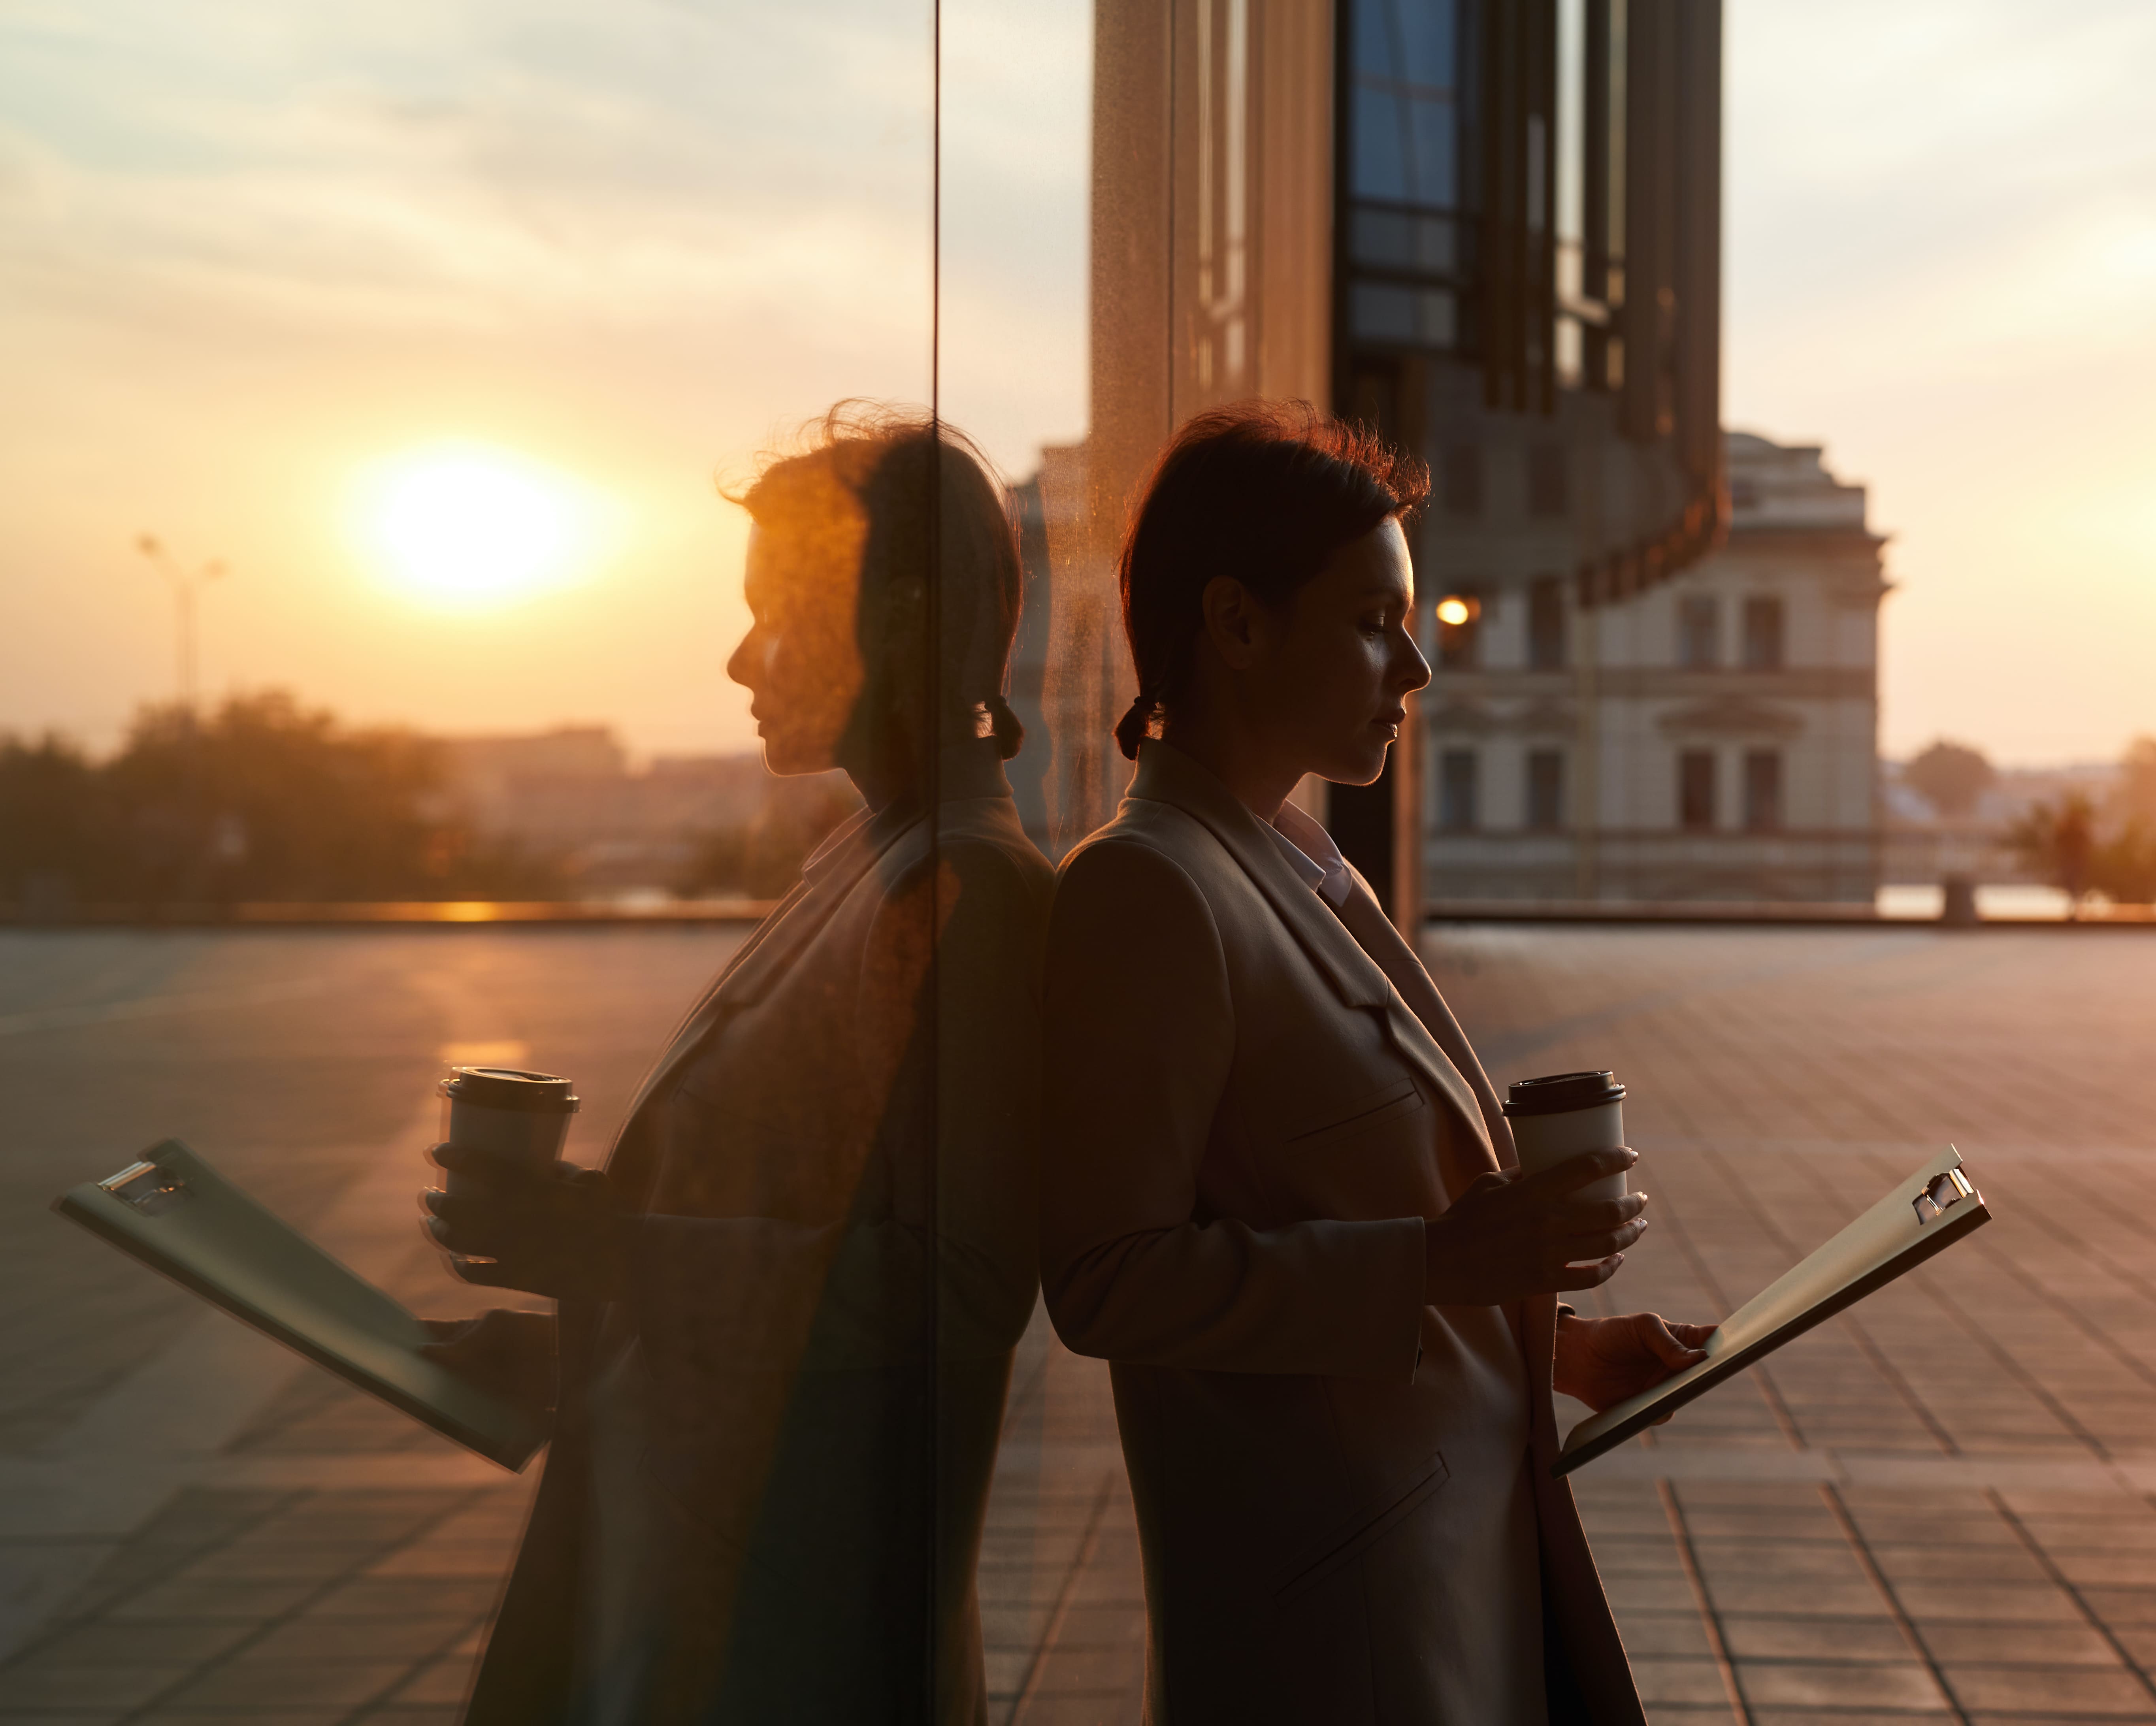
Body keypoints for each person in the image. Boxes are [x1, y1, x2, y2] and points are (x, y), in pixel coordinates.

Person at [1039, 402, 1712, 1725]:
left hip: (1435, 1569)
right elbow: (1106, 1281)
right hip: (1334, 1625)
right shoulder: (1145, 888)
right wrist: (1445, 1264)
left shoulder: (1291, 864)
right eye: (1370, 621)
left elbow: (1320, 1218)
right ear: (1236, 625)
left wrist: (1559, 1347)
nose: (1414, 666)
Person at [419, 404, 1055, 1725]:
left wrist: (614, 1255)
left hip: (792, 1624)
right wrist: (585, 1340)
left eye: (775, 611)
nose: (736, 659)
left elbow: (958, 1288)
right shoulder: (870, 864)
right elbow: (795, 1241)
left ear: (897, 618)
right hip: (720, 1587)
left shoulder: (972, 892)